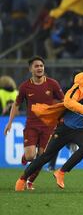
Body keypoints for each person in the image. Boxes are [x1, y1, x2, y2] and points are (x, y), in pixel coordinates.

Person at [14, 63, 83, 191]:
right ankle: (22, 179)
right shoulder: (81, 86)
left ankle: (61, 172)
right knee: (46, 156)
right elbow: (68, 101)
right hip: (66, 127)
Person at [4, 56, 64, 190]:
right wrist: (9, 123)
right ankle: (25, 156)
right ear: (30, 69)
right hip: (32, 125)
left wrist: (60, 117)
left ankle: (29, 181)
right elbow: (16, 104)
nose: (39, 68)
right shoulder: (25, 86)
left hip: (48, 126)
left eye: (41, 66)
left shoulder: (52, 84)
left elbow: (64, 101)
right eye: (36, 66)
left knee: (42, 157)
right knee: (31, 156)